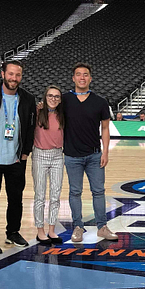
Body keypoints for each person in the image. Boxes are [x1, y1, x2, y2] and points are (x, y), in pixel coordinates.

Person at [0, 60, 36, 254]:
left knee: (16, 199)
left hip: (16, 160)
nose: (14, 78)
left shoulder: (27, 99)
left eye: (17, 75)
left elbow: (30, 128)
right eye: (10, 74)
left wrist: (25, 153)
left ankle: (13, 232)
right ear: (2, 74)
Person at [62, 63, 117, 243]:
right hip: (72, 156)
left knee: (99, 191)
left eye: (86, 74)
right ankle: (78, 227)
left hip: (94, 155)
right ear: (73, 78)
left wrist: (105, 152)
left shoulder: (100, 101)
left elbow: (106, 128)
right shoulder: (64, 100)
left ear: (90, 78)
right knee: (75, 192)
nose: (82, 77)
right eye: (78, 74)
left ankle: (102, 227)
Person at [32, 85, 65, 245]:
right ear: (45, 97)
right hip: (40, 155)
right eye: (50, 96)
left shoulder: (63, 114)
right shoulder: (37, 113)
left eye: (57, 96)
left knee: (55, 195)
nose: (53, 99)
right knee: (40, 195)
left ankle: (52, 230)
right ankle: (40, 230)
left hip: (58, 156)